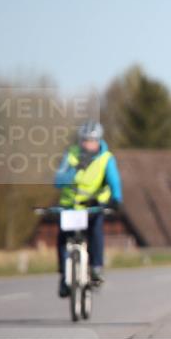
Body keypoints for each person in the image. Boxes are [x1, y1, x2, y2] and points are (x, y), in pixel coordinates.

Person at [53, 120, 122, 297]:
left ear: (98, 141)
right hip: (71, 206)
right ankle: (63, 275)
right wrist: (74, 170)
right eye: (84, 140)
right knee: (62, 238)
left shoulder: (106, 158)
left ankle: (96, 268)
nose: (87, 144)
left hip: (93, 206)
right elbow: (58, 181)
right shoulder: (71, 155)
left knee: (96, 233)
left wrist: (116, 199)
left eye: (91, 140)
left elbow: (114, 181)